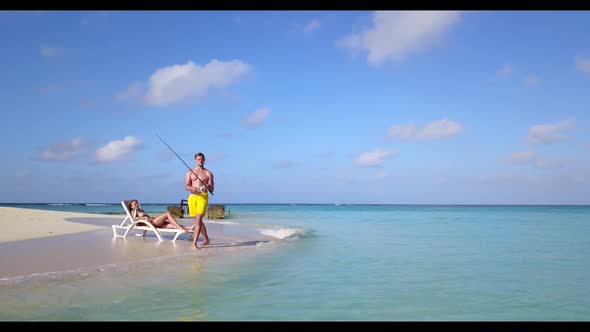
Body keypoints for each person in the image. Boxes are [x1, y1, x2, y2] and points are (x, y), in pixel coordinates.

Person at [185, 152, 213, 249]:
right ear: (195, 160)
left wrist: (208, 187)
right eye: (198, 159)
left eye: (202, 159)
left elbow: (212, 189)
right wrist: (191, 188)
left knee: (198, 220)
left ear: (204, 160)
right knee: (199, 221)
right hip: (192, 197)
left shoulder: (208, 173)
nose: (200, 161)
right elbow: (186, 186)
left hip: (203, 197)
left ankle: (194, 244)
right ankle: (206, 239)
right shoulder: (189, 172)